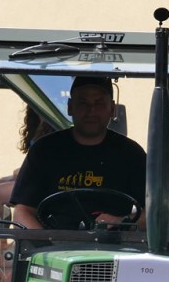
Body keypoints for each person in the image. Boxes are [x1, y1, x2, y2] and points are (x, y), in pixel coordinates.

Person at [10, 76, 147, 229]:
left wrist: (122, 222)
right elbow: (22, 211)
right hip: (54, 246)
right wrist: (45, 245)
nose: (91, 111)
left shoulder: (133, 155)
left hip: (114, 247)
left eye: (99, 103)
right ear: (69, 107)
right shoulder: (43, 151)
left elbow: (155, 213)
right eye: (83, 103)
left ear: (112, 109)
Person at [0, 105, 55, 212]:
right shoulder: (37, 125)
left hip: (43, 182)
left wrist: (23, 172)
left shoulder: (53, 128)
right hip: (31, 174)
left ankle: (0, 228)